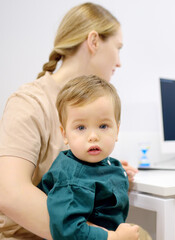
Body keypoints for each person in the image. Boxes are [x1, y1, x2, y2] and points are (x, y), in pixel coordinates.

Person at [0, 2, 139, 239]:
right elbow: (10, 194)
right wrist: (103, 236)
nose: (119, 62)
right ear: (94, 42)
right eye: (117, 48)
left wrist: (103, 175)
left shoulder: (88, 109)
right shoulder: (30, 103)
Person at [38, 75, 138, 240]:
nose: (93, 136)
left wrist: (116, 173)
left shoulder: (101, 163)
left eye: (103, 126)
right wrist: (115, 237)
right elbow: (68, 231)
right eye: (81, 127)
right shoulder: (71, 180)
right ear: (65, 135)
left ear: (117, 131)